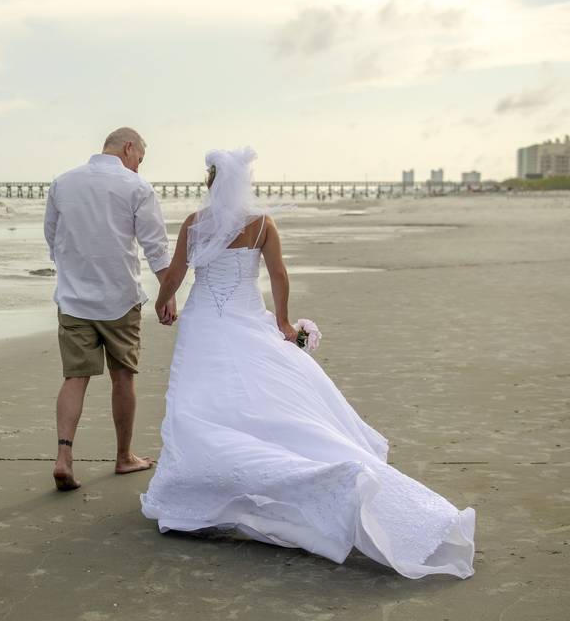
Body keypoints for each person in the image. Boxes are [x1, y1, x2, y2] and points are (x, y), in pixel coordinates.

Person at [138, 146, 476, 579]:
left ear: (210, 183)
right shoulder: (261, 224)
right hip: (243, 318)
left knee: (195, 406)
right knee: (259, 402)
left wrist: (164, 303)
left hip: (204, 323)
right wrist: (281, 321)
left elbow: (178, 272)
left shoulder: (194, 224)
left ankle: (194, 492)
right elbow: (278, 273)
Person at [43, 127, 175, 491]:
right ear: (129, 148)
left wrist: (74, 271)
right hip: (119, 298)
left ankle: (64, 457)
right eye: (140, 160)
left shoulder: (63, 182)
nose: (138, 167)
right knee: (123, 376)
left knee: (75, 377)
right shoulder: (137, 187)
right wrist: (168, 294)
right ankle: (123, 457)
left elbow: (52, 237)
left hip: (73, 298)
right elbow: (156, 247)